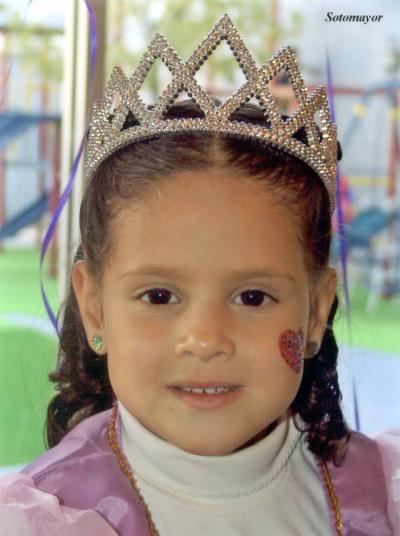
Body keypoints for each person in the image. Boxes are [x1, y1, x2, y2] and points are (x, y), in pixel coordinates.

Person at [0, 13, 398, 536]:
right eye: (160, 294)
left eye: (253, 297)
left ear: (316, 311)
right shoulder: (46, 520)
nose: (205, 340)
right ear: (94, 306)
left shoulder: (381, 493)